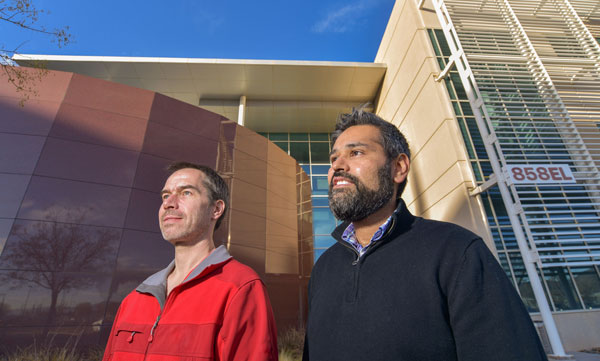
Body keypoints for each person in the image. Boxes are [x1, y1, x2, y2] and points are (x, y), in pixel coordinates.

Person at [303, 109, 547, 361]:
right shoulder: (323, 269)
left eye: (356, 153)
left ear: (398, 167)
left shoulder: (457, 252)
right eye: (333, 159)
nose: (337, 167)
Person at [103, 162, 278, 361]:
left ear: (216, 209)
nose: (169, 203)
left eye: (186, 193)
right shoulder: (135, 299)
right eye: (165, 195)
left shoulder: (241, 288)